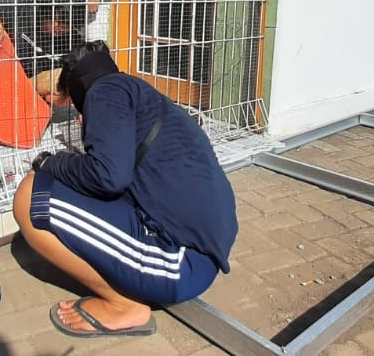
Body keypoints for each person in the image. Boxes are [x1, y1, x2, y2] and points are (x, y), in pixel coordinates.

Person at [12, 41, 237, 338]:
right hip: (198, 250)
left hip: (181, 263)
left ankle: (122, 305)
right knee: (62, 181)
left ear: (78, 89)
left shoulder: (103, 93)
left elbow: (108, 178)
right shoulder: (137, 92)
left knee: (30, 196)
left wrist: (49, 162)